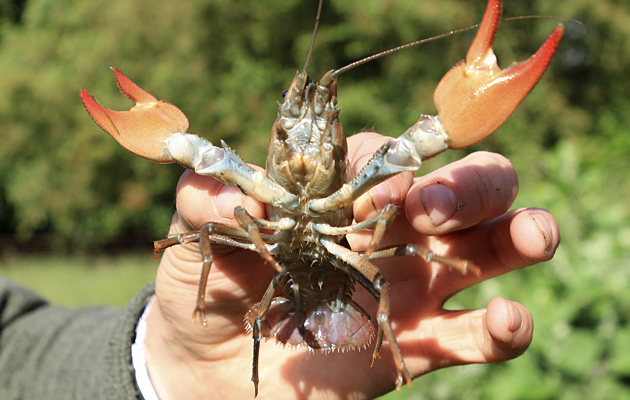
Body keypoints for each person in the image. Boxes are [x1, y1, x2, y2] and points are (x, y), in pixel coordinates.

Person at [0, 132, 559, 400]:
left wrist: (165, 365)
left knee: (395, 241)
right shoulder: (254, 194)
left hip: (346, 269)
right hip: (284, 284)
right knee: (220, 219)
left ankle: (382, 326)